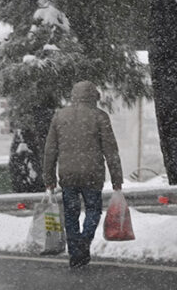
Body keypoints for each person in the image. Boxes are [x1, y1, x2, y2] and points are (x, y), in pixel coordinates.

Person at [43, 80, 123, 268]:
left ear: (74, 95)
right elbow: (111, 150)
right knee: (93, 210)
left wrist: (49, 178)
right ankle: (84, 241)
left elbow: (50, 150)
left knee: (71, 214)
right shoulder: (100, 116)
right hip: (92, 174)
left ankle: (75, 254)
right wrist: (116, 178)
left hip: (68, 175)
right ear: (94, 96)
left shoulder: (60, 116)